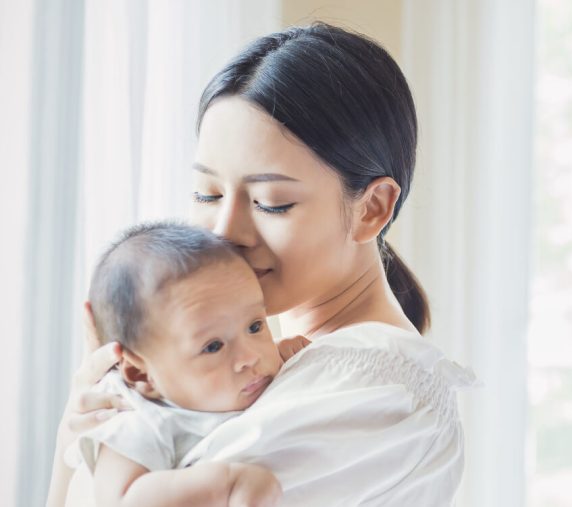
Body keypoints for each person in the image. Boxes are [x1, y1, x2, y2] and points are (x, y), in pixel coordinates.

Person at [48, 22, 474, 507]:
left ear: (373, 207)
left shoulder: (373, 393)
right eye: (207, 193)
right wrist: (76, 430)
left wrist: (92, 456)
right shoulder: (248, 367)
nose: (223, 233)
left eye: (271, 203)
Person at [71, 221, 308, 506]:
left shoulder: (245, 371)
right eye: (213, 346)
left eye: (255, 326)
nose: (250, 357)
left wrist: (283, 352)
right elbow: (120, 499)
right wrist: (227, 483)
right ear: (141, 374)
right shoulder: (139, 418)